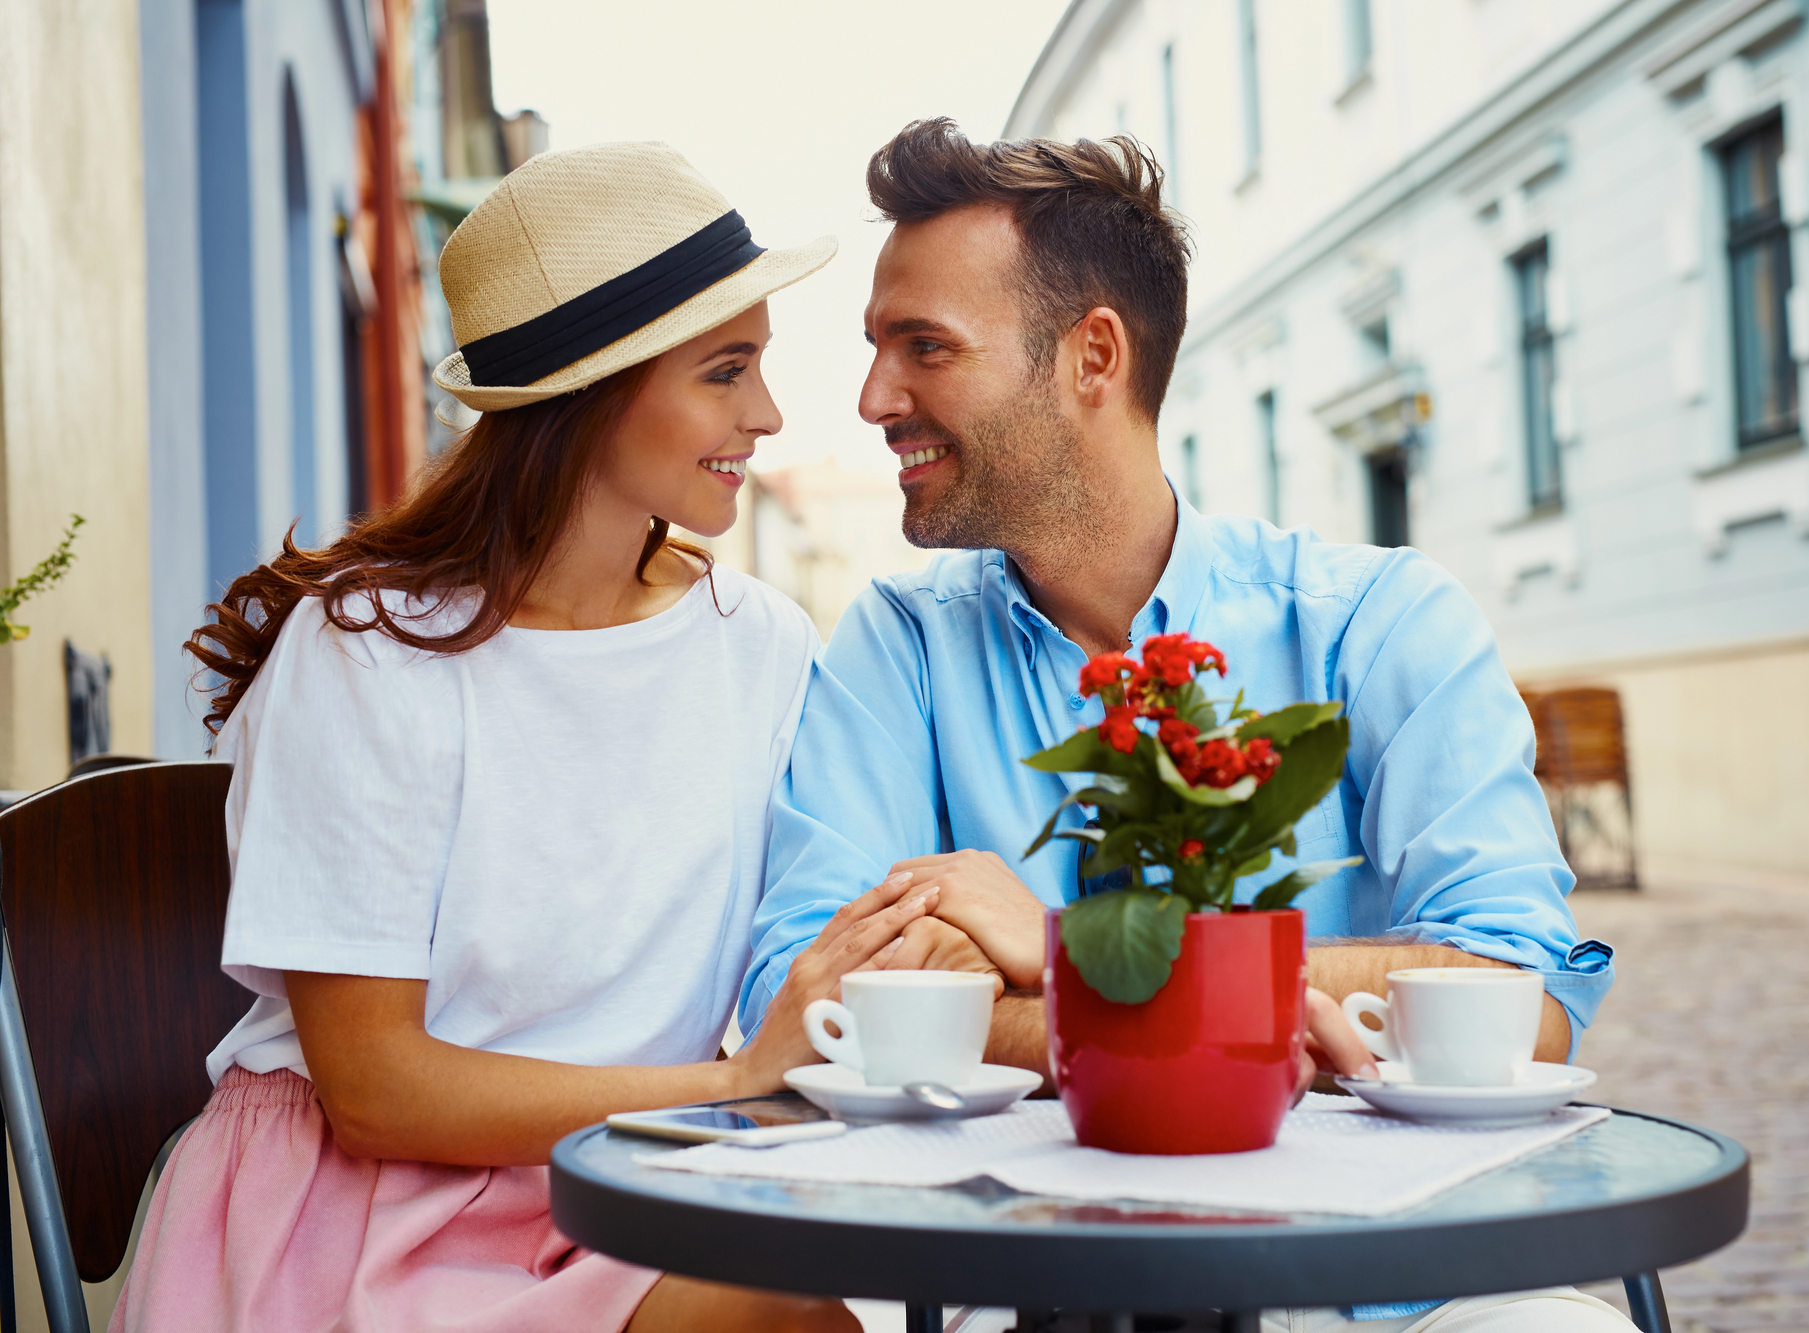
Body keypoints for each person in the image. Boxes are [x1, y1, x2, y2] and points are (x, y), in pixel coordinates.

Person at [740, 121, 1630, 1331]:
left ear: (1089, 355)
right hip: (1020, 1293)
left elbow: (1510, 994)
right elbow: (821, 1005)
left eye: (925, 347)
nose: (872, 397)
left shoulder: (1377, 622)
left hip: (1376, 1292)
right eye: (878, 348)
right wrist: (1226, 1010)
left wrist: (1035, 955)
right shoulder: (898, 646)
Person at [112, 142, 934, 1333]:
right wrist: (732, 1085)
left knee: (808, 1313)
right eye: (725, 369)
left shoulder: (758, 644)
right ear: (595, 391)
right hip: (357, 1218)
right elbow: (378, 1094)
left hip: (620, 1191)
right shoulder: (366, 652)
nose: (767, 414)